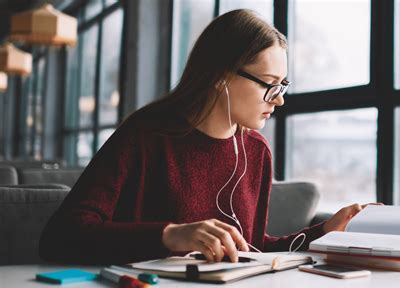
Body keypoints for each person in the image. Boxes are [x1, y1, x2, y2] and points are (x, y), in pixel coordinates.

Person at [39, 9, 371, 265]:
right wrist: (170, 236)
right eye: (269, 83)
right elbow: (62, 235)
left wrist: (323, 232)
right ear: (220, 77)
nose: (279, 99)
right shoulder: (145, 134)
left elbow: (250, 248)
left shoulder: (255, 151)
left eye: (282, 86)